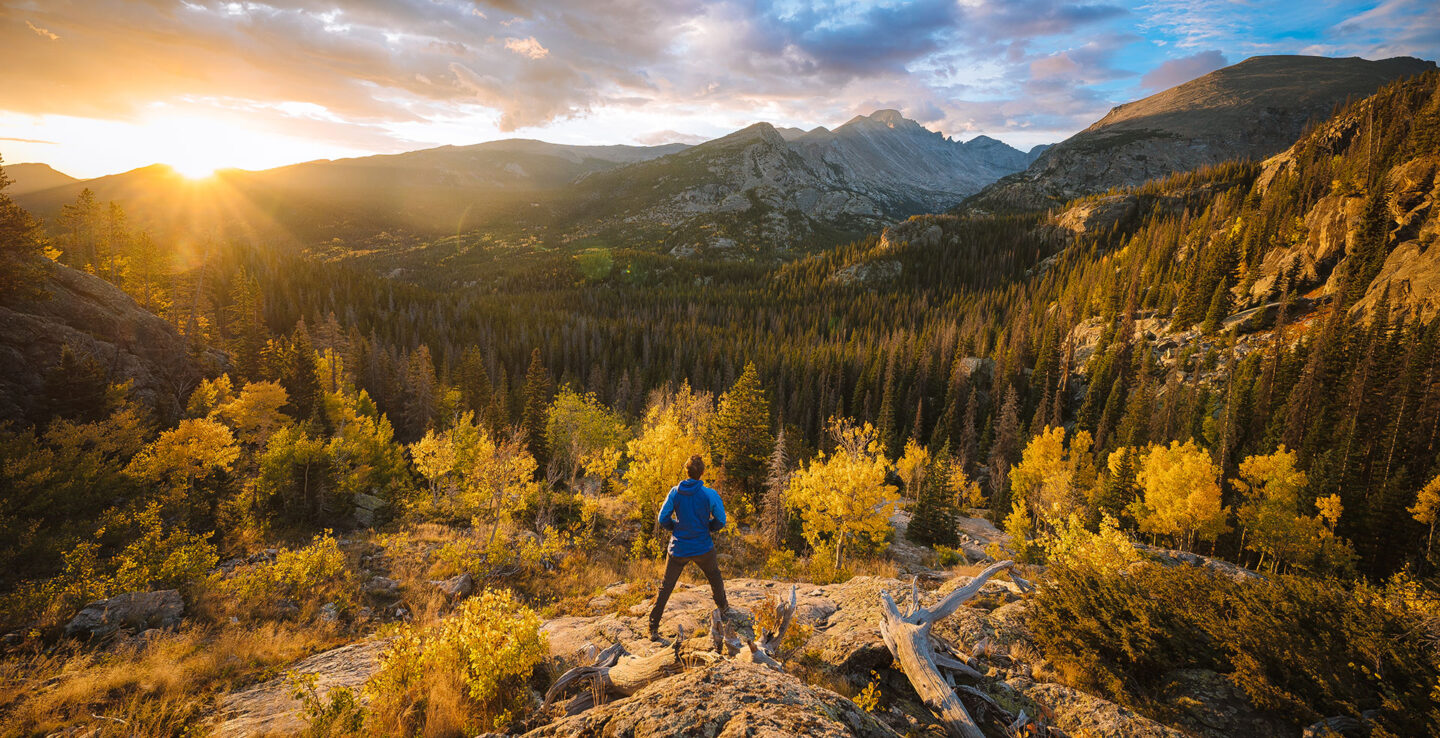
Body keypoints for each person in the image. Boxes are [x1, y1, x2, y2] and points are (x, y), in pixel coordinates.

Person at [648, 454, 729, 641]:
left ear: (687, 471)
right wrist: (709, 527)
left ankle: (653, 627)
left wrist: (675, 527)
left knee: (666, 587)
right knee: (714, 577)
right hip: (703, 546)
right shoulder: (709, 494)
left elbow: (662, 519)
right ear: (702, 473)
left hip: (679, 548)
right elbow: (721, 521)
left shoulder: (675, 492)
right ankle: (724, 608)